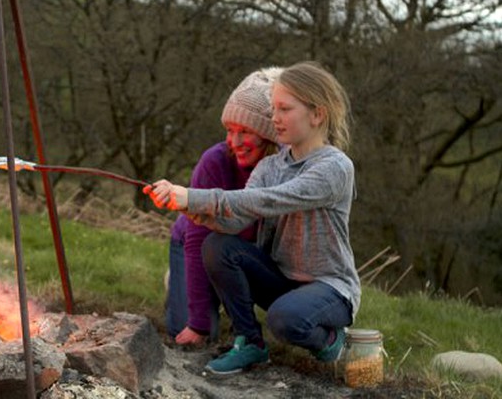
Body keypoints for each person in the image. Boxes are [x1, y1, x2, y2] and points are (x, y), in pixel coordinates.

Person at [146, 61, 360, 374]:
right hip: (281, 278)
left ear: (317, 114)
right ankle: (249, 342)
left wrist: (193, 196)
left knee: (284, 320)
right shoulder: (270, 166)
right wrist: (187, 208)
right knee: (218, 246)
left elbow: (269, 200)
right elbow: (236, 220)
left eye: (285, 109)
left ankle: (329, 338)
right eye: (273, 109)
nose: (275, 118)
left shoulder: (335, 168)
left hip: (329, 287)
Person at [165, 68, 283, 346]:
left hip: (244, 252)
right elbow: (197, 240)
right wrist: (199, 324)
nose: (236, 142)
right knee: (193, 332)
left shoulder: (287, 169)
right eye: (230, 130)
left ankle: (228, 297)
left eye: (245, 131)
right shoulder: (215, 161)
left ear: (269, 134)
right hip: (194, 244)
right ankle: (181, 282)